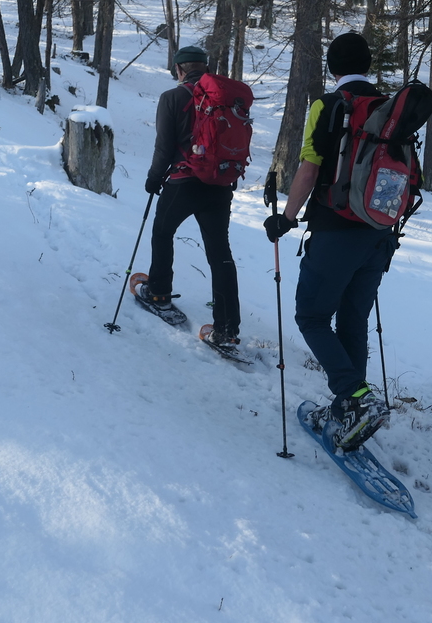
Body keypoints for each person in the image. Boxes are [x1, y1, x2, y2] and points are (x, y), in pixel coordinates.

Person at [263, 31, 394, 452]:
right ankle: (350, 408)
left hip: (337, 230)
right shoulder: (389, 108)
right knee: (353, 320)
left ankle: (355, 397)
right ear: (367, 66)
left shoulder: (330, 105)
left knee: (312, 316)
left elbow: (309, 168)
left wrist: (286, 218)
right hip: (379, 233)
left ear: (332, 68)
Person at [139, 44, 241, 345]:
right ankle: (227, 328)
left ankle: (159, 294)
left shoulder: (172, 97)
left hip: (183, 182)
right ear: (206, 68)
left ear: (179, 69)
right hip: (219, 184)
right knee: (220, 253)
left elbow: (164, 146)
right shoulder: (225, 99)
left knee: (162, 233)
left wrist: (153, 178)